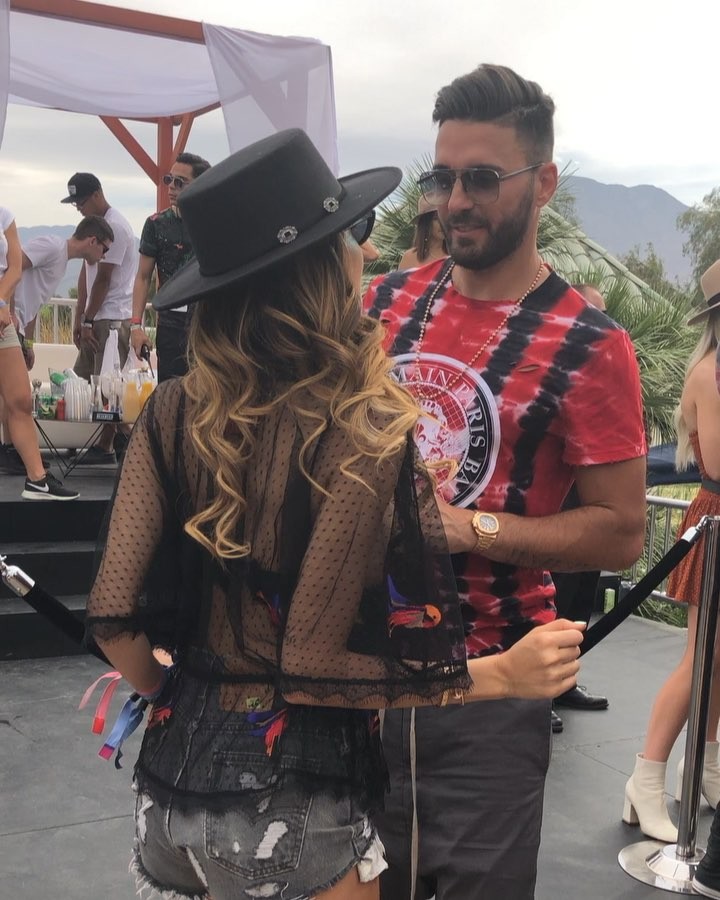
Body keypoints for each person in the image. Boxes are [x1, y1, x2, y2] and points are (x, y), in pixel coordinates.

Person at [83, 128, 585, 900]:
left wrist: (164, 690)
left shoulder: (174, 410)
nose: (366, 250)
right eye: (351, 235)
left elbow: (114, 617)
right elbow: (317, 668)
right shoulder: (360, 428)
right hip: (292, 813)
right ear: (319, 269)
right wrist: (500, 675)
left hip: (169, 801)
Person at [364, 64, 647, 899]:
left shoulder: (591, 344)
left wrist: (471, 527)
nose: (456, 200)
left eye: (483, 178)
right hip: (358, 674)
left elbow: (621, 532)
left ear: (543, 183)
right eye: (443, 178)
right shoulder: (381, 306)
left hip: (494, 689)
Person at [625, 258, 720, 847]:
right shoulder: (710, 374)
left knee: (718, 662)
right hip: (716, 520)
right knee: (699, 660)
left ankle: (705, 767)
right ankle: (647, 777)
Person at [0, 214, 114, 475]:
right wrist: (9, 310)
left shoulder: (61, 261)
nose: (104, 256)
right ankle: (10, 451)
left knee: (11, 394)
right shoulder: (52, 246)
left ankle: (11, 450)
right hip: (8, 320)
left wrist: (28, 342)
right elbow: (13, 269)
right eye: (104, 249)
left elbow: (35, 300)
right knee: (16, 395)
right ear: (92, 241)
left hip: (17, 325)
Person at [550, 283, 611, 733]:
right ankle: (540, 692)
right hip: (558, 500)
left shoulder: (604, 370)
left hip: (594, 497)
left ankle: (566, 681)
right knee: (555, 596)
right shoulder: (554, 363)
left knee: (580, 599)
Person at [0, 205, 78, 500]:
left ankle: (37, 480)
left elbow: (15, 268)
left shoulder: (5, 215)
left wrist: (2, 302)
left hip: (1, 317)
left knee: (20, 399)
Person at [61, 172, 136, 464]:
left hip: (111, 317)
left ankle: (112, 444)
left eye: (81, 201)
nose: (78, 207)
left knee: (107, 386)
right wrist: (80, 316)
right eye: (75, 203)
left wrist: (88, 320)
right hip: (96, 316)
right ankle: (109, 442)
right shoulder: (95, 226)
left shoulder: (116, 226)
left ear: (97, 195)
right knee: (86, 383)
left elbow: (104, 278)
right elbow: (87, 271)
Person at [130, 152, 211, 382]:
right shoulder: (156, 224)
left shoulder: (214, 221)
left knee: (207, 389)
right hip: (170, 320)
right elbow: (143, 277)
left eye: (180, 182)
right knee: (170, 389)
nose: (171, 187)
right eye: (169, 180)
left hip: (207, 321)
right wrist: (136, 326)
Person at [397, 195, 448, 271]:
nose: (443, 223)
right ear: (425, 223)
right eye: (436, 219)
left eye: (445, 217)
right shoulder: (410, 258)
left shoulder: (457, 253)